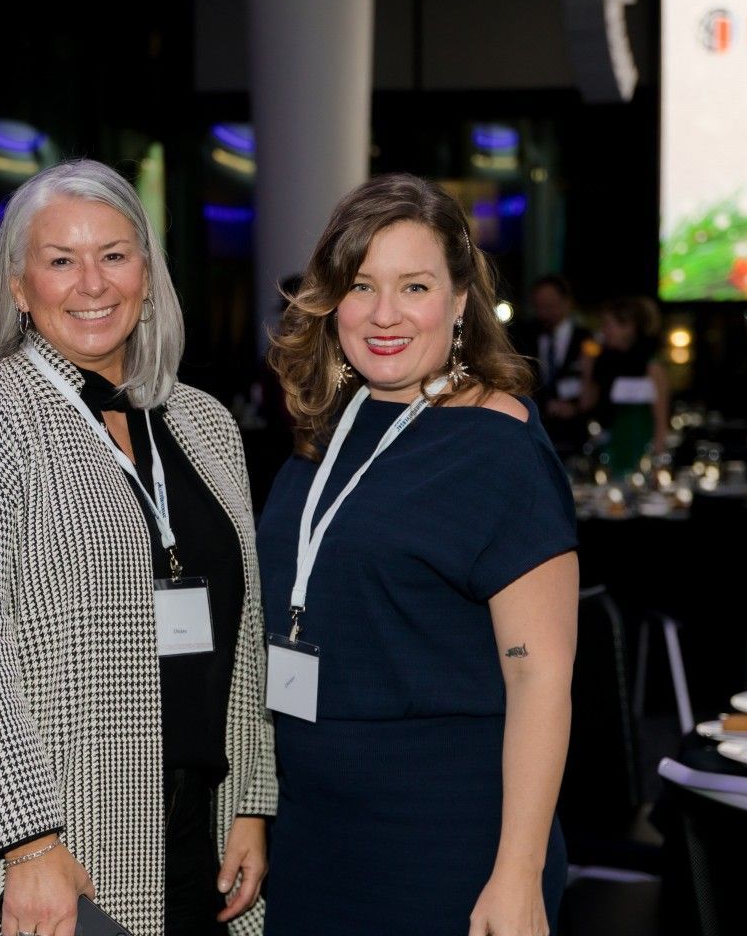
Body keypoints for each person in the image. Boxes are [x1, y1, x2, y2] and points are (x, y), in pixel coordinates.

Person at [0, 160, 275, 936]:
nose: (92, 283)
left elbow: (244, 632)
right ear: (18, 285)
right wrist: (27, 840)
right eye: (60, 260)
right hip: (56, 848)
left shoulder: (205, 425)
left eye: (114, 254)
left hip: (196, 837)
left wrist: (249, 804)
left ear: (147, 271)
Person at [259, 173, 578, 935]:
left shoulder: (498, 447)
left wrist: (517, 874)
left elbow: (541, 680)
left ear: (461, 298)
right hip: (311, 841)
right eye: (361, 285)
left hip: (445, 849)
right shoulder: (323, 433)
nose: (384, 314)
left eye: (414, 285)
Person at [582, 295, 669, 476]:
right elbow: (586, 403)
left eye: (608, 324)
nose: (603, 331)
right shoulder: (604, 361)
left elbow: (661, 418)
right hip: (609, 447)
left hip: (641, 448)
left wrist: (658, 460)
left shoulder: (651, 364)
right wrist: (588, 368)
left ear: (628, 326)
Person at [512, 274, 592, 459]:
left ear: (566, 303)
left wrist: (575, 407)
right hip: (538, 428)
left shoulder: (586, 339)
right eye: (539, 307)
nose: (544, 313)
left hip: (576, 431)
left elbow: (595, 382)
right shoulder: (525, 336)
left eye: (550, 306)